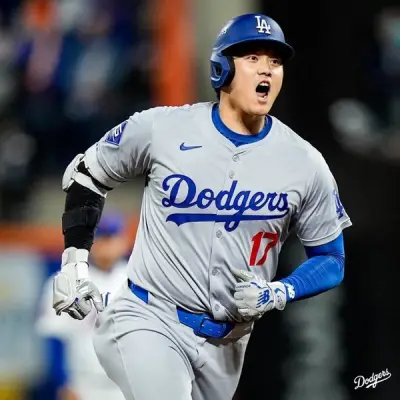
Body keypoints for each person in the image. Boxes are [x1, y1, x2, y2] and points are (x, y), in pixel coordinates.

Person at [51, 13, 352, 400]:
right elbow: (86, 175)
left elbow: (331, 259)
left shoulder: (304, 162)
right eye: (253, 58)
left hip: (227, 345)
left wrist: (280, 291)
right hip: (148, 318)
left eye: (275, 61)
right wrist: (74, 263)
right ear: (222, 68)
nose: (267, 69)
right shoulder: (163, 128)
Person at [37, 212, 129, 400]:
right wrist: (62, 383)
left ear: (123, 241)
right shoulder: (65, 281)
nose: (106, 245)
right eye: (101, 237)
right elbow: (54, 338)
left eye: (112, 237)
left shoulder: (137, 281)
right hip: (82, 385)